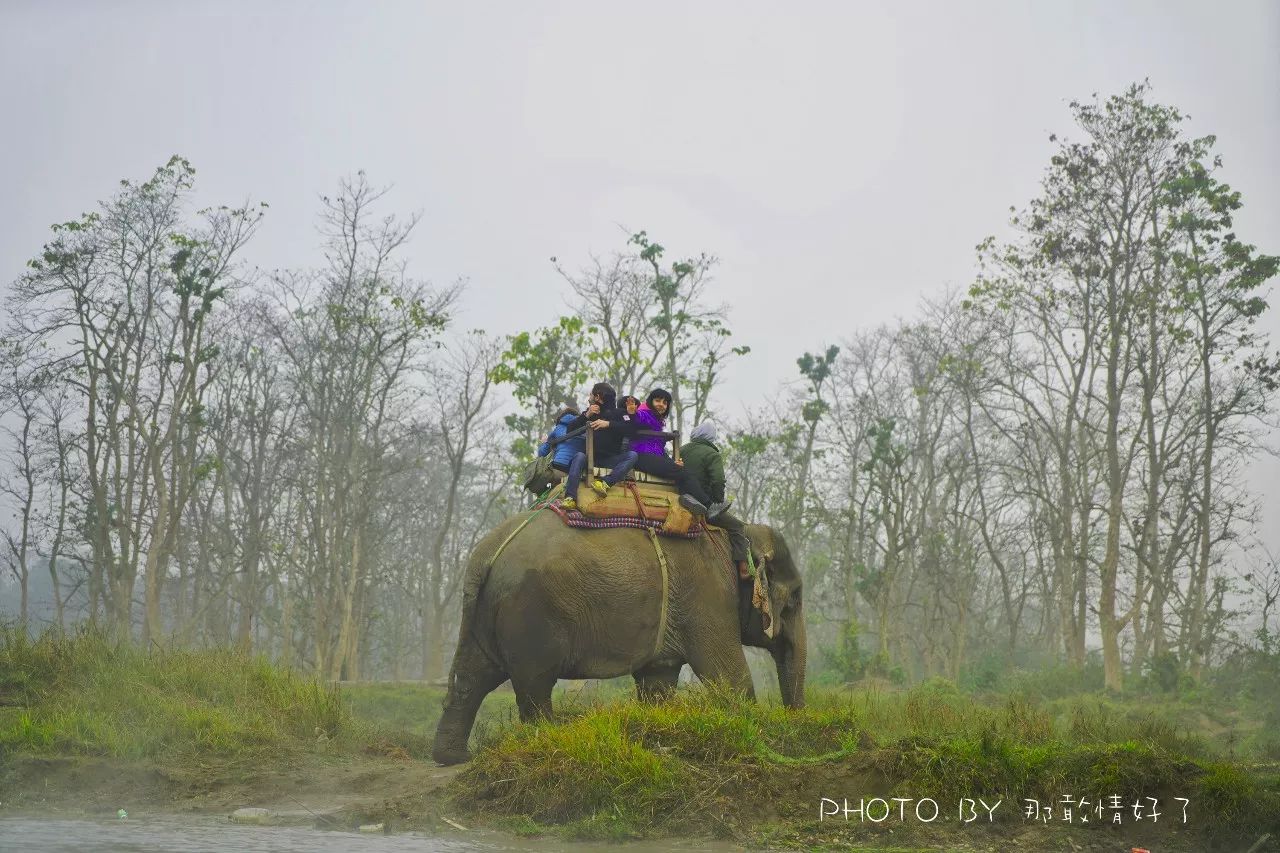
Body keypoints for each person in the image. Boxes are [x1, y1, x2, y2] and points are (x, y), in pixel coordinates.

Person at [682, 421, 752, 580]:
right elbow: (718, 481)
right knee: (737, 526)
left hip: (679, 498)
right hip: (703, 504)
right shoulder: (712, 454)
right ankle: (743, 568)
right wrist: (718, 501)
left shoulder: (682, 449)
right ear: (711, 437)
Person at [630, 389, 713, 515]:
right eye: (657, 400)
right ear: (650, 402)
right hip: (642, 456)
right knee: (683, 472)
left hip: (652, 456)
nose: (661, 405)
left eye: (665, 403)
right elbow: (637, 418)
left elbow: (658, 449)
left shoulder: (657, 421)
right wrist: (633, 413)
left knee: (680, 470)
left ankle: (690, 499)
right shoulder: (645, 414)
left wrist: (671, 462)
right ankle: (709, 506)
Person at [560, 383, 639, 511]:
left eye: (591, 394)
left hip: (610, 459)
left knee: (632, 455)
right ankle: (570, 498)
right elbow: (569, 430)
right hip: (590, 458)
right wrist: (586, 415)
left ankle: (605, 483)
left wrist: (608, 424)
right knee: (579, 456)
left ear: (598, 396)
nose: (589, 396)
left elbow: (631, 430)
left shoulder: (619, 413)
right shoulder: (591, 412)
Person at [536, 405, 584, 475]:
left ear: (562, 417)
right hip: (578, 468)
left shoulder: (558, 428)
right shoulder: (583, 427)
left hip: (559, 465)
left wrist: (545, 442)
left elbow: (542, 453)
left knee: (547, 481)